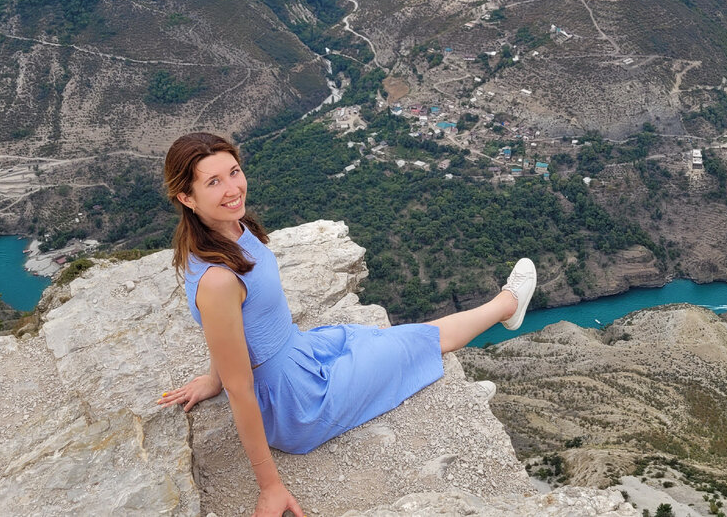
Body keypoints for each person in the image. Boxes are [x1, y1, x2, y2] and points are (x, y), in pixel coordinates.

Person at [158, 132, 537, 517]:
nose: (232, 188)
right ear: (186, 198)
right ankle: (506, 305)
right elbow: (240, 388)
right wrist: (271, 486)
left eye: (234, 172)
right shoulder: (218, 279)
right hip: (297, 402)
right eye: (213, 182)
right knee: (416, 341)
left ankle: (491, 311)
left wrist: (212, 378)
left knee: (375, 339)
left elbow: (228, 331)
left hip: (300, 353)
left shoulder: (231, 230)